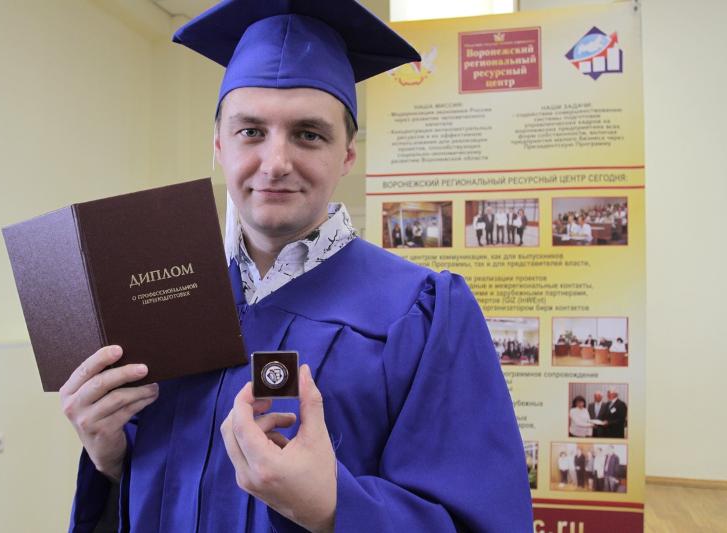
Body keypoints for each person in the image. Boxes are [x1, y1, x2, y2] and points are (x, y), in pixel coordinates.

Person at [61, 2, 533, 532]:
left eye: (309, 134)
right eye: (250, 131)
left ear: (348, 154)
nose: (276, 163)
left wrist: (333, 508)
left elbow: (479, 520)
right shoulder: (168, 301)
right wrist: (111, 459)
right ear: (219, 146)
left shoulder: (423, 313)